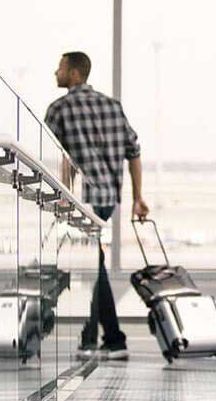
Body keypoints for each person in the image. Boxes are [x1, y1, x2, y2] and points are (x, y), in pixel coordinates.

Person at [45, 51, 150, 361]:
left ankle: (114, 339)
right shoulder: (112, 106)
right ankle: (91, 337)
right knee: (95, 264)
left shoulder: (59, 109)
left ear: (75, 73)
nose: (56, 72)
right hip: (108, 199)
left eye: (61, 67)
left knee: (96, 267)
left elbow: (58, 154)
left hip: (86, 200)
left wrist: (63, 192)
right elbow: (134, 152)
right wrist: (138, 197)